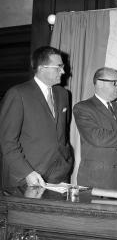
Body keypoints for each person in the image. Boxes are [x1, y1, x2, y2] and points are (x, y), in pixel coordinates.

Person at [0, 46, 73, 188]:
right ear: (42, 68)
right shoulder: (18, 94)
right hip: (28, 177)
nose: (63, 72)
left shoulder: (63, 94)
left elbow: (63, 134)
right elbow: (7, 141)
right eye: (58, 67)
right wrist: (27, 172)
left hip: (60, 173)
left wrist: (67, 161)